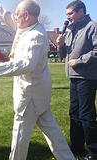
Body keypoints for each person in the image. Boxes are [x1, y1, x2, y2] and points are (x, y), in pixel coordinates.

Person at [0, 0, 75, 160]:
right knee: (53, 133)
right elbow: (5, 15)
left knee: (19, 138)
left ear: (26, 16)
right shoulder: (26, 27)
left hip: (30, 96)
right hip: (38, 93)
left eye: (17, 14)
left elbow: (26, 64)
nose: (14, 17)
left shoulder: (36, 36)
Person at [56, 1, 97, 160]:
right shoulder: (71, 30)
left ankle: (93, 152)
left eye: (70, 14)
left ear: (81, 12)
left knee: (86, 114)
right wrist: (60, 45)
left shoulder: (92, 27)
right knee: (74, 113)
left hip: (87, 77)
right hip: (73, 77)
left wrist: (79, 61)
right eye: (67, 15)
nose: (68, 18)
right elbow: (62, 56)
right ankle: (77, 146)